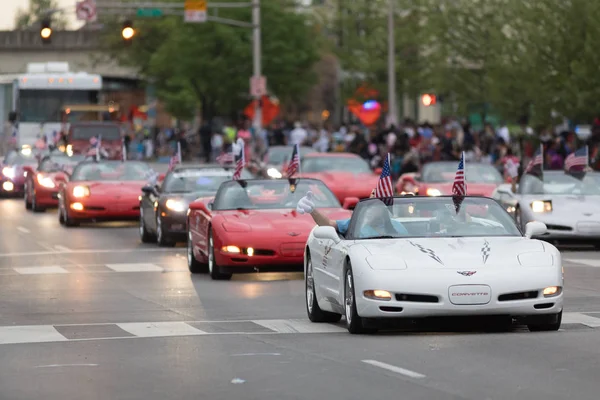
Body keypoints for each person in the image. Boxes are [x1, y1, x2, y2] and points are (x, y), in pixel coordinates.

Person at [296, 190, 408, 236]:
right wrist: (312, 210)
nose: (373, 198)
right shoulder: (355, 225)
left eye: (378, 199)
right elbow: (329, 224)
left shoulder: (398, 228)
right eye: (372, 195)